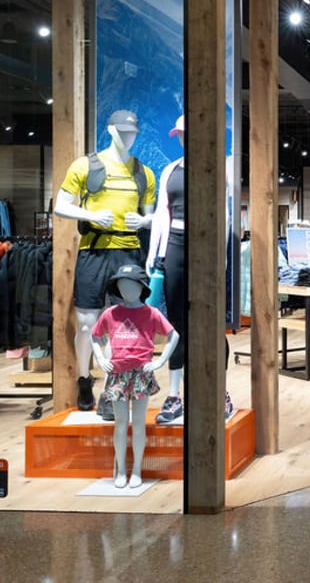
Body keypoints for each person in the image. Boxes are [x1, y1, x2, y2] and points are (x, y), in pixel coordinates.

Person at [53, 110, 157, 410]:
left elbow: (151, 216)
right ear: (110, 131)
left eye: (133, 133)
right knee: (87, 322)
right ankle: (84, 380)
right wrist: (90, 215)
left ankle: (115, 389)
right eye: (123, 132)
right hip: (94, 251)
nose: (128, 138)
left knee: (125, 323)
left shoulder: (144, 173)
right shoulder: (85, 165)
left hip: (128, 252)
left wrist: (145, 222)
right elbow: (61, 205)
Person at [146, 114, 233, 424]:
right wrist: (156, 255)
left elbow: (224, 216)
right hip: (176, 248)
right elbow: (161, 215)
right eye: (180, 134)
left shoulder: (218, 170)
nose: (184, 139)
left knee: (210, 321)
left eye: (188, 133)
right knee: (177, 324)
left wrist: (220, 258)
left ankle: (219, 391)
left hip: (206, 248)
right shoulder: (170, 170)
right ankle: (174, 395)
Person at [91, 264, 178, 488]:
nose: (127, 290)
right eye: (122, 286)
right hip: (117, 373)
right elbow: (94, 336)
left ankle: (136, 469)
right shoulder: (110, 314)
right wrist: (100, 359)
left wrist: (159, 361)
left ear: (142, 287)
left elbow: (173, 335)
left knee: (138, 423)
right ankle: (121, 471)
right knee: (120, 423)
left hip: (141, 372)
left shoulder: (151, 313)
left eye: (131, 285)